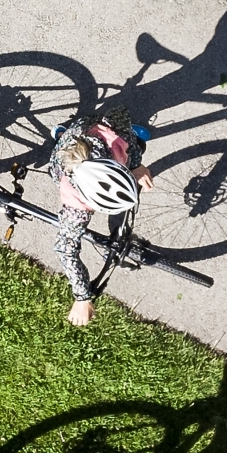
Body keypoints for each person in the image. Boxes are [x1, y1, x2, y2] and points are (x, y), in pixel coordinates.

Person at [48, 111, 154, 326]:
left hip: (86, 130)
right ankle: (62, 137)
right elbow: (65, 249)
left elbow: (120, 116)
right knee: (60, 157)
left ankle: (64, 135)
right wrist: (81, 297)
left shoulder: (112, 136)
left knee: (131, 143)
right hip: (70, 149)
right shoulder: (76, 204)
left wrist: (135, 165)